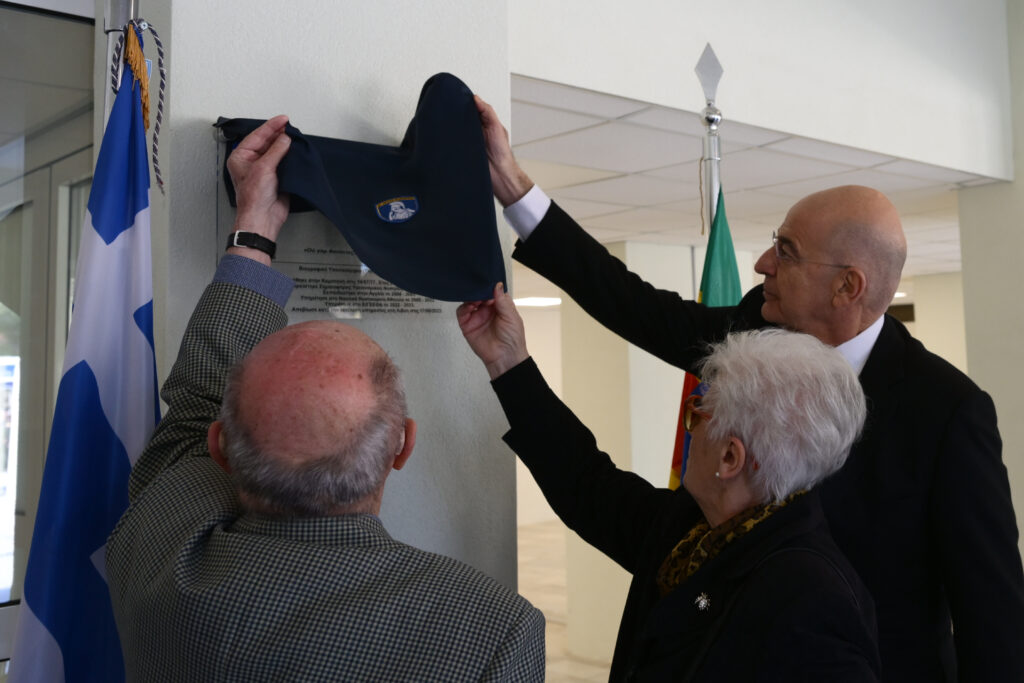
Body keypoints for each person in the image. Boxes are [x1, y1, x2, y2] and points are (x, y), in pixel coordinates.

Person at [473, 95, 1024, 682]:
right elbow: (636, 308)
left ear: (847, 287)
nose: (762, 263)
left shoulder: (948, 411)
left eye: (787, 252)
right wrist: (514, 191)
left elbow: (993, 621)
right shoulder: (756, 331)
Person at [105, 115, 545, 682]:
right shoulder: (490, 629)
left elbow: (194, 405)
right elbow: (198, 411)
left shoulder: (158, 552)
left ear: (219, 446)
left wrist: (253, 228)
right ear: (403, 445)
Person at [459, 287, 881, 680]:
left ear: (730, 457)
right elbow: (586, 482)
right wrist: (508, 361)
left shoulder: (810, 600)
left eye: (697, 412)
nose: (689, 426)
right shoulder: (695, 528)